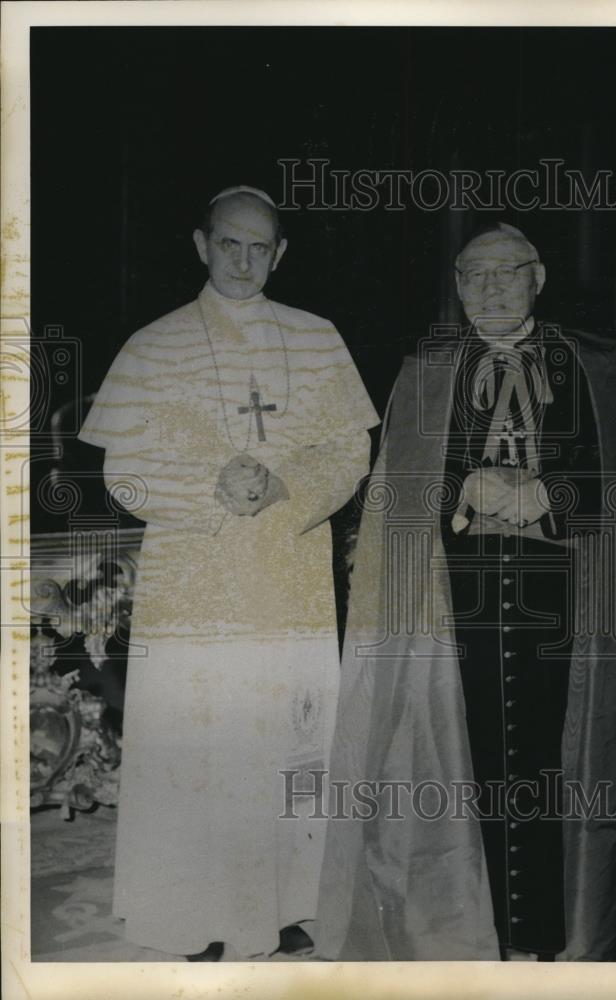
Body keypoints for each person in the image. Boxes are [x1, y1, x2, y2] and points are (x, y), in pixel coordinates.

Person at [315, 222, 616, 961]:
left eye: (506, 273)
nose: (490, 289)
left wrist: (550, 495)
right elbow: (400, 493)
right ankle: (476, 928)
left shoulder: (601, 364)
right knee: (467, 754)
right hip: (459, 600)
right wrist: (468, 487)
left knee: (567, 761)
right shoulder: (426, 369)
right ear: (455, 285)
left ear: (539, 277)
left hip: (573, 598)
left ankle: (562, 928)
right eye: (473, 276)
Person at [79, 186, 379, 960]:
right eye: (229, 245)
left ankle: (290, 901)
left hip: (289, 567)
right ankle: (191, 912)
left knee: (289, 737)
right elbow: (124, 473)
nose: (244, 263)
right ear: (201, 244)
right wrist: (207, 492)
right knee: (199, 739)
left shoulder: (318, 338)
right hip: (196, 577)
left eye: (260, 249)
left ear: (280, 254)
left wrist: (288, 488)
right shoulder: (154, 345)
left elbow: (351, 452)